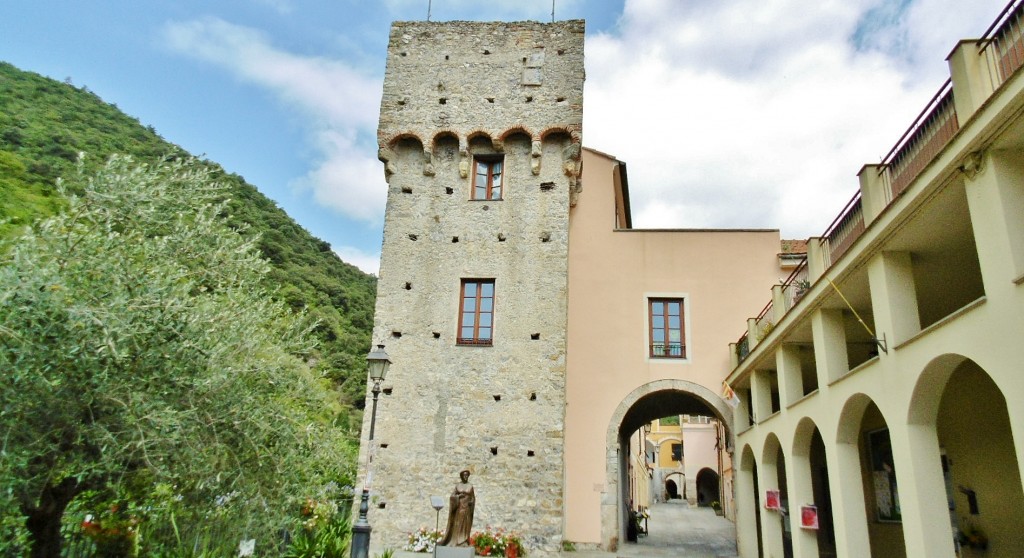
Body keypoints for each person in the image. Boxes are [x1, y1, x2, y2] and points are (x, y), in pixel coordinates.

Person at [439, 469, 475, 547]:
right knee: (458, 525)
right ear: (461, 476)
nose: (466, 477)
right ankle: (457, 541)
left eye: (467, 475)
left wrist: (471, 502)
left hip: (467, 508)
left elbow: (473, 497)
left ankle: (464, 541)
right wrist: (458, 496)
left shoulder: (470, 486)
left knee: (465, 525)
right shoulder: (458, 485)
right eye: (464, 475)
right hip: (459, 508)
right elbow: (452, 496)